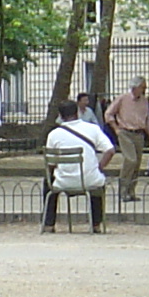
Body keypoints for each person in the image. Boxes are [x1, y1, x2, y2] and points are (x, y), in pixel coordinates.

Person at [41, 97, 115, 233]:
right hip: (88, 180)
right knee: (97, 182)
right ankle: (96, 224)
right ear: (77, 112)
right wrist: (99, 167)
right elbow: (110, 151)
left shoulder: (54, 134)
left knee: (48, 181)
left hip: (63, 181)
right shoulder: (93, 129)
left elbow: (50, 164)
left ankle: (48, 223)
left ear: (60, 116)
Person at [105, 77, 149, 201]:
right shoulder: (122, 99)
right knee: (130, 160)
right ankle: (123, 190)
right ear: (135, 88)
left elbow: (147, 120)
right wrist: (116, 128)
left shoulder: (145, 101)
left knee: (137, 163)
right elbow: (108, 113)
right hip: (125, 132)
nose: (145, 89)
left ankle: (131, 191)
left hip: (139, 133)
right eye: (143, 87)